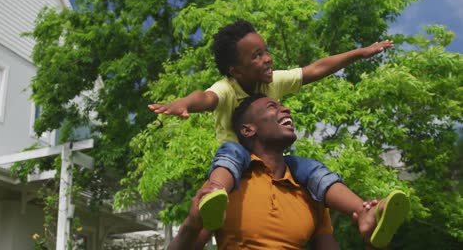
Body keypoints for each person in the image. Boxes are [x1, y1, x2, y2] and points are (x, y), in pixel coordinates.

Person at [149, 20, 392, 232]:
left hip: (272, 157)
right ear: (235, 71)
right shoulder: (227, 88)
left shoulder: (272, 81)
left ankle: (363, 211)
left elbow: (316, 69)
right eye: (256, 56)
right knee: (231, 152)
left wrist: (360, 53)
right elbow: (205, 98)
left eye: (266, 51)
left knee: (311, 168)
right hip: (238, 161)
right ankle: (214, 193)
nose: (268, 59)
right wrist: (184, 104)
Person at [168, 95, 410, 249]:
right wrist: (191, 223)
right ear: (248, 129)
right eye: (272, 106)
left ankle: (368, 214)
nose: (287, 110)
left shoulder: (312, 193)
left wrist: (375, 243)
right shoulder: (227, 186)